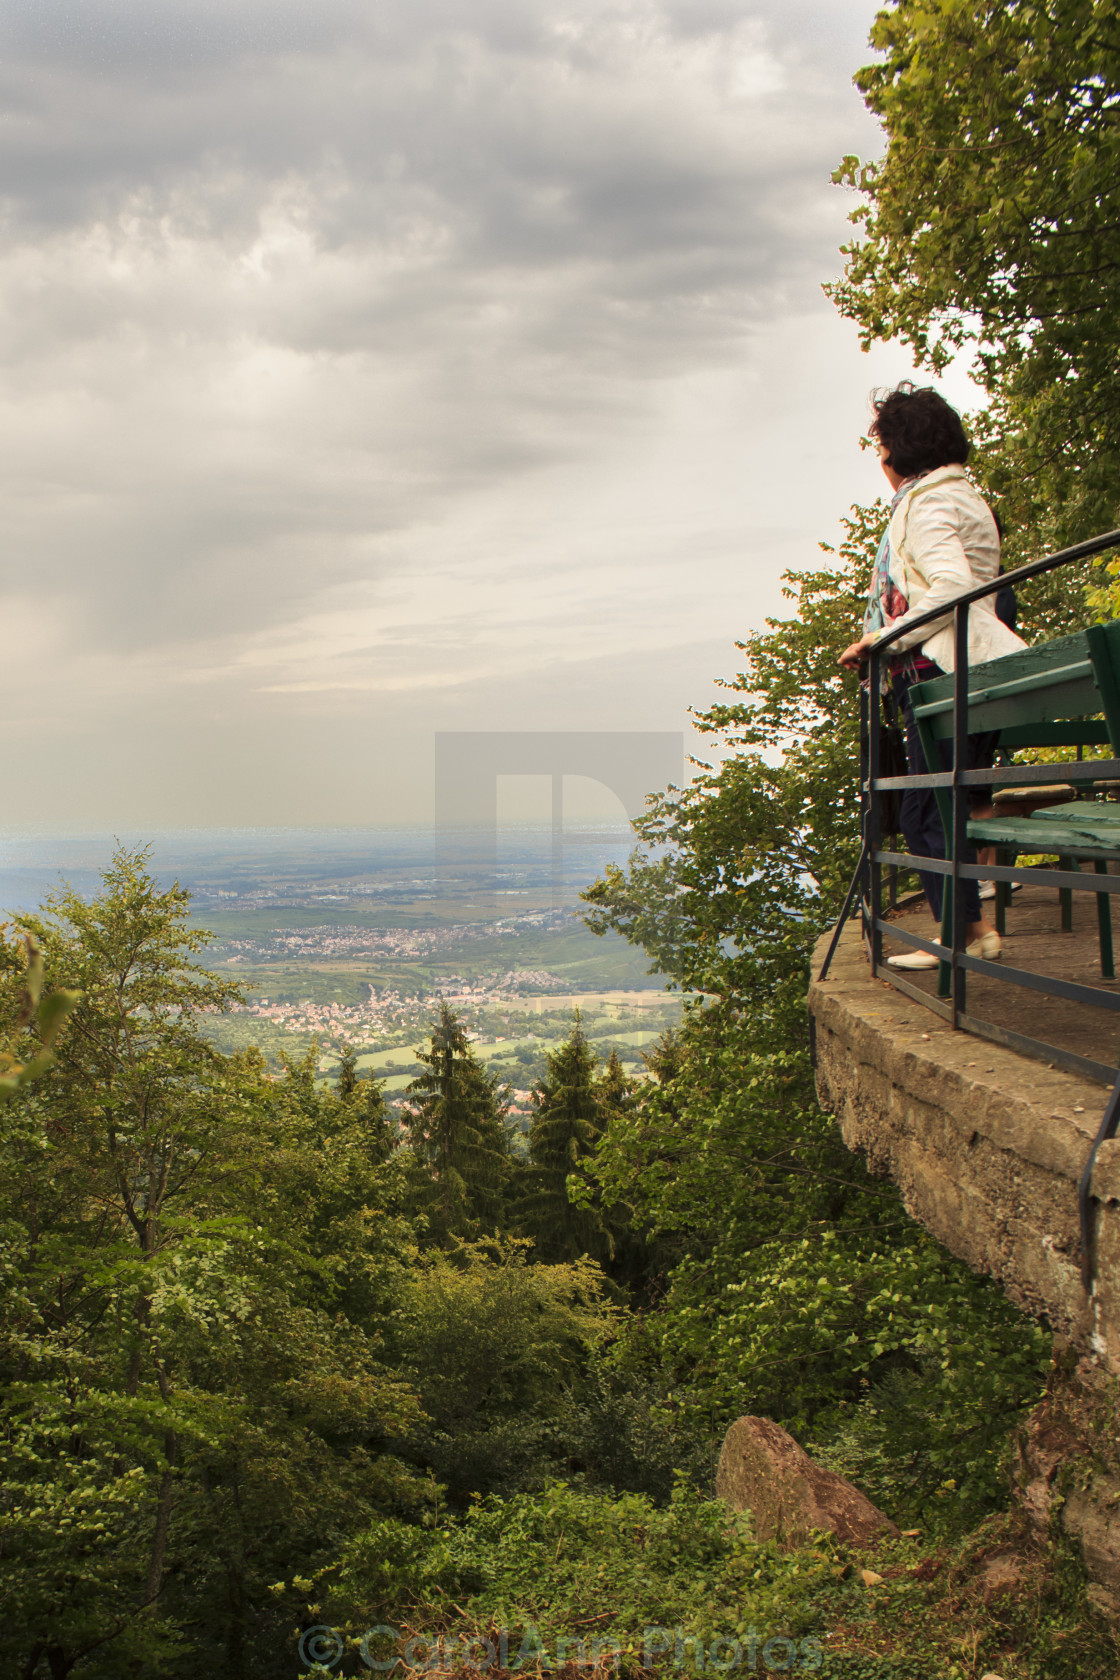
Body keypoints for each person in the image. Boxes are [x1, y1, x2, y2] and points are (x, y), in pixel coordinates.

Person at [838, 383, 1027, 969]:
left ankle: (963, 939)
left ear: (899, 448)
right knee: (940, 809)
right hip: (955, 672)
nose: (881, 461)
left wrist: (881, 638)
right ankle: (975, 932)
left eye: (882, 446)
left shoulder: (930, 503)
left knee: (926, 812)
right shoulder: (957, 494)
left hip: (941, 676)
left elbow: (951, 588)